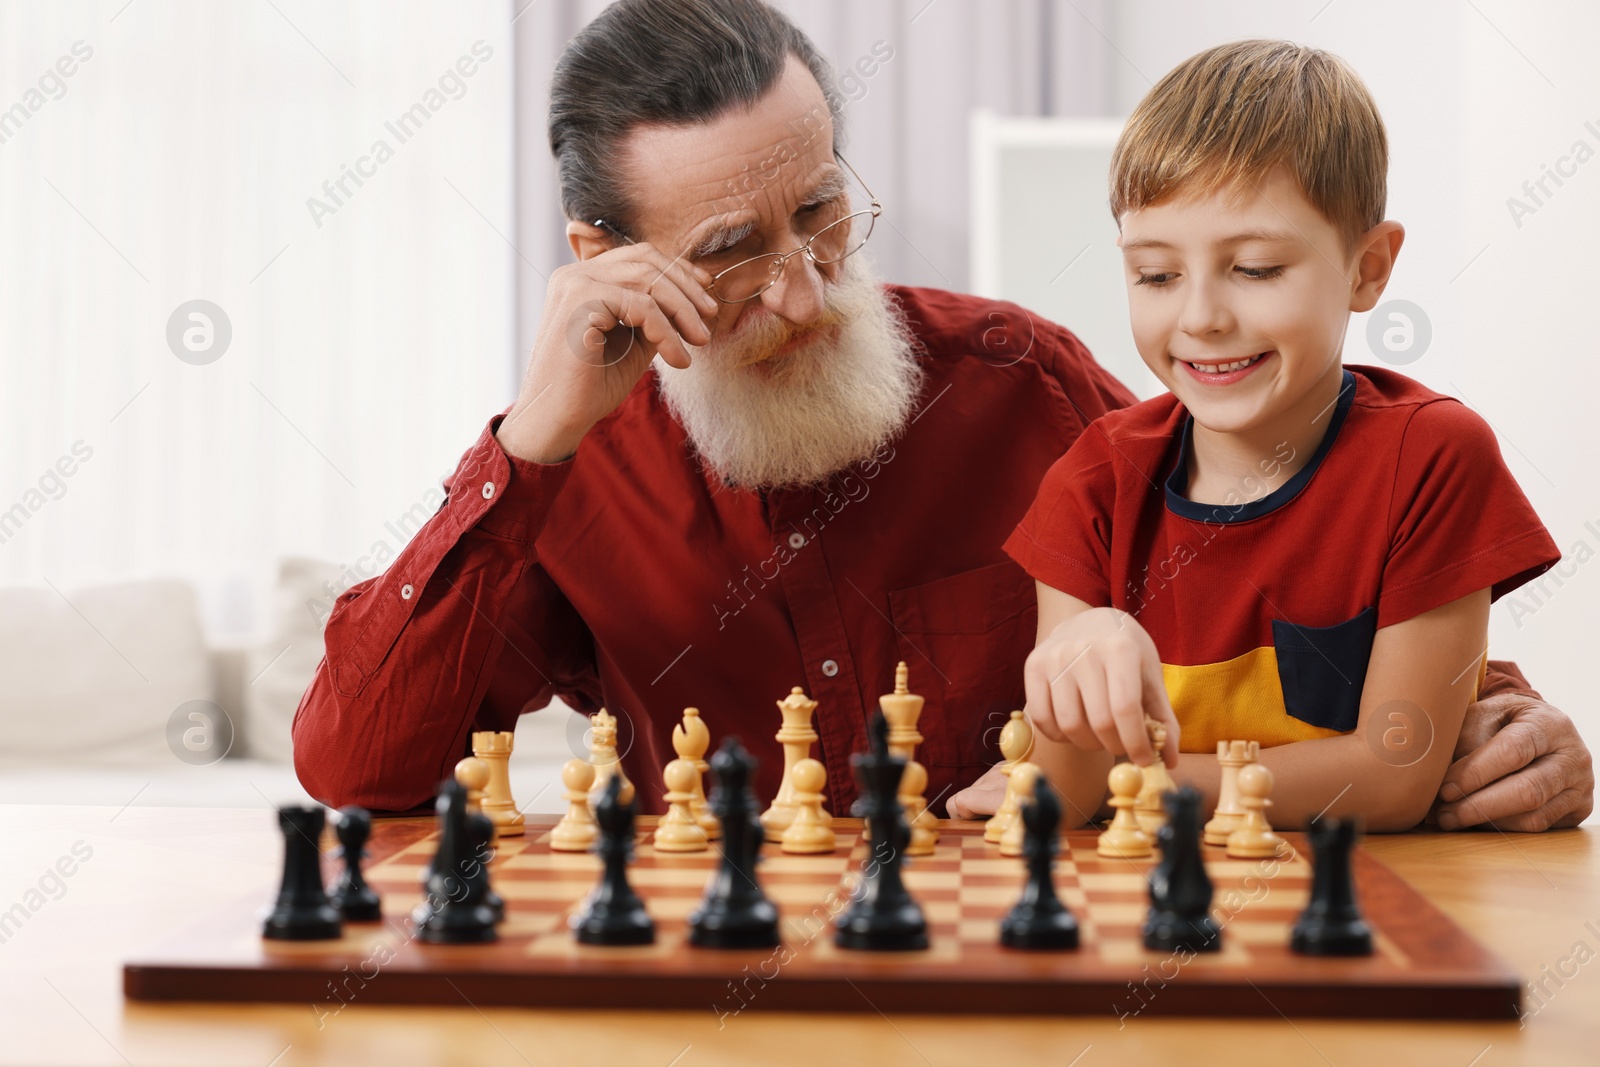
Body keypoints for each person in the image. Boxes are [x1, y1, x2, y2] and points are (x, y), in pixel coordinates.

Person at [290, 0, 1592, 832]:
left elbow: (1260, 588)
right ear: (603, 252)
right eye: (735, 249)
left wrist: (1488, 717)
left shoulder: (1021, 386)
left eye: (820, 210)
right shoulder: (576, 470)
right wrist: (532, 446)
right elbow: (359, 765)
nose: (802, 292)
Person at [1003, 39, 1563, 831]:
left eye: (1257, 268)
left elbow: (1394, 777)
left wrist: (1136, 783)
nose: (1200, 316)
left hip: (1379, 918)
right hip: (1149, 922)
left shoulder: (1434, 459)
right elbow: (1064, 788)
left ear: (1368, 269)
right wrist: (1086, 646)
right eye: (1156, 275)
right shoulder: (1094, 479)